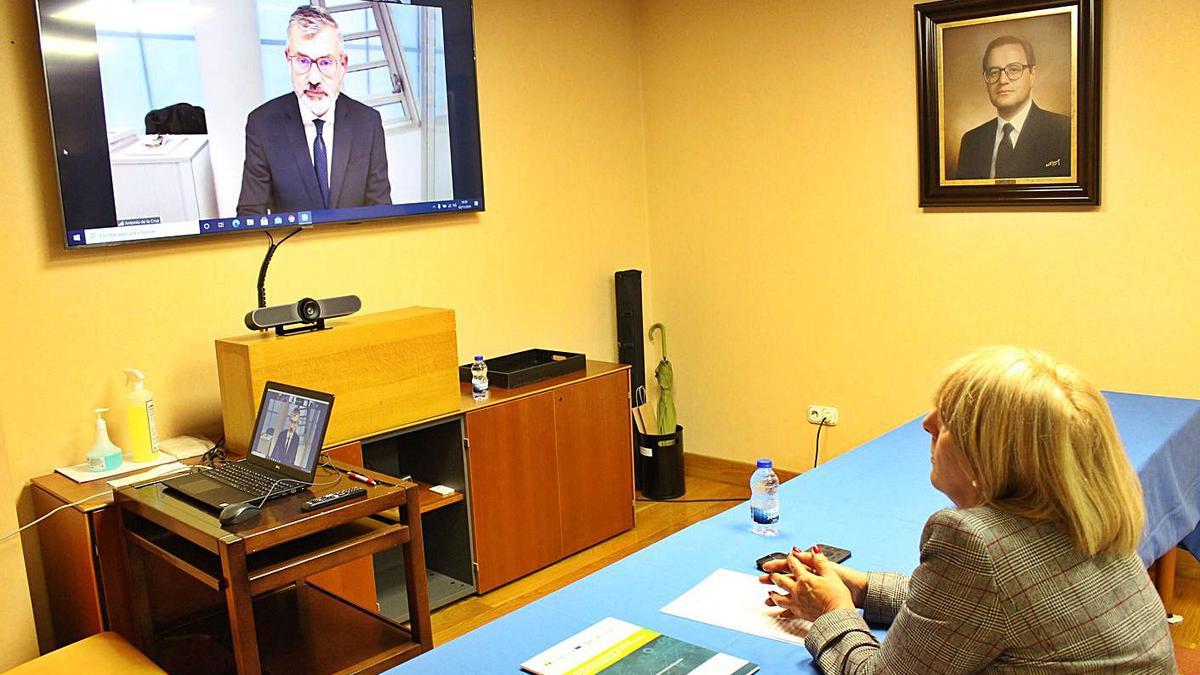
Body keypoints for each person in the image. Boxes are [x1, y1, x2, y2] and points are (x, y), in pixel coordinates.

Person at [760, 346, 1177, 673]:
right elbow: (980, 613)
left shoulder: (975, 543)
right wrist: (861, 588)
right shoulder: (1088, 514)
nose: (926, 423)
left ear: (994, 454)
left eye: (949, 419)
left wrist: (832, 611)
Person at [236, 6, 390, 217]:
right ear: (288, 59)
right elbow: (250, 216)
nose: (314, 78)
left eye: (326, 62)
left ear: (343, 65)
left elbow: (381, 212)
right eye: (302, 61)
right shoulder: (262, 124)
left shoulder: (368, 122)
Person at [955, 36, 1072, 180]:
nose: (1003, 80)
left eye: (1014, 69)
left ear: (1032, 74)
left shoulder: (1065, 130)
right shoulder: (972, 141)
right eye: (994, 72)